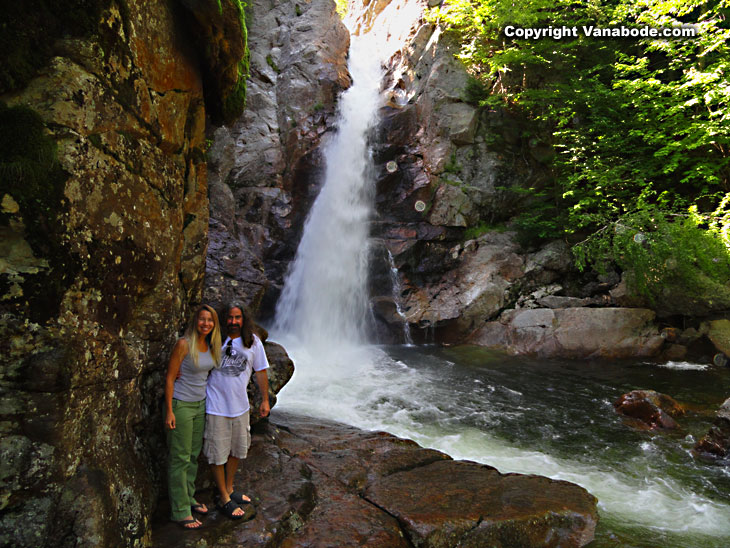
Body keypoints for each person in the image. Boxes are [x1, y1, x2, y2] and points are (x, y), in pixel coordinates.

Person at [204, 303, 270, 519]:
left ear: (243, 319)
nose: (233, 321)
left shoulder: (252, 342)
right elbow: (194, 359)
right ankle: (223, 497)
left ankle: (229, 488)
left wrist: (265, 400)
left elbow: (260, 371)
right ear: (224, 319)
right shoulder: (214, 339)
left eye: (237, 317)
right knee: (217, 453)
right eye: (230, 318)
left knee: (236, 450)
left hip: (240, 407)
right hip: (216, 406)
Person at [164, 304, 221, 529]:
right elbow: (170, 378)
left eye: (210, 320)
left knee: (193, 455)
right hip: (181, 405)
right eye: (202, 319)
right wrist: (169, 410)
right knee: (180, 457)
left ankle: (188, 498)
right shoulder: (183, 344)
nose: (205, 323)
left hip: (200, 405)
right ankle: (179, 511)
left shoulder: (210, 345)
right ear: (195, 321)